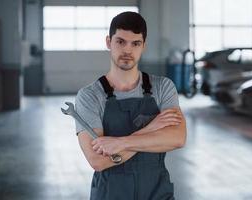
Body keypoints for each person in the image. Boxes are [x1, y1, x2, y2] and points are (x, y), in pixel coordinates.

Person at [75, 11, 186, 200]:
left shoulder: (163, 87)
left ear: (144, 46)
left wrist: (120, 143)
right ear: (109, 42)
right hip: (111, 194)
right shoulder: (90, 96)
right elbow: (98, 161)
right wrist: (152, 130)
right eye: (120, 42)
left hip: (157, 193)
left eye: (135, 43)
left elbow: (177, 138)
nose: (128, 50)